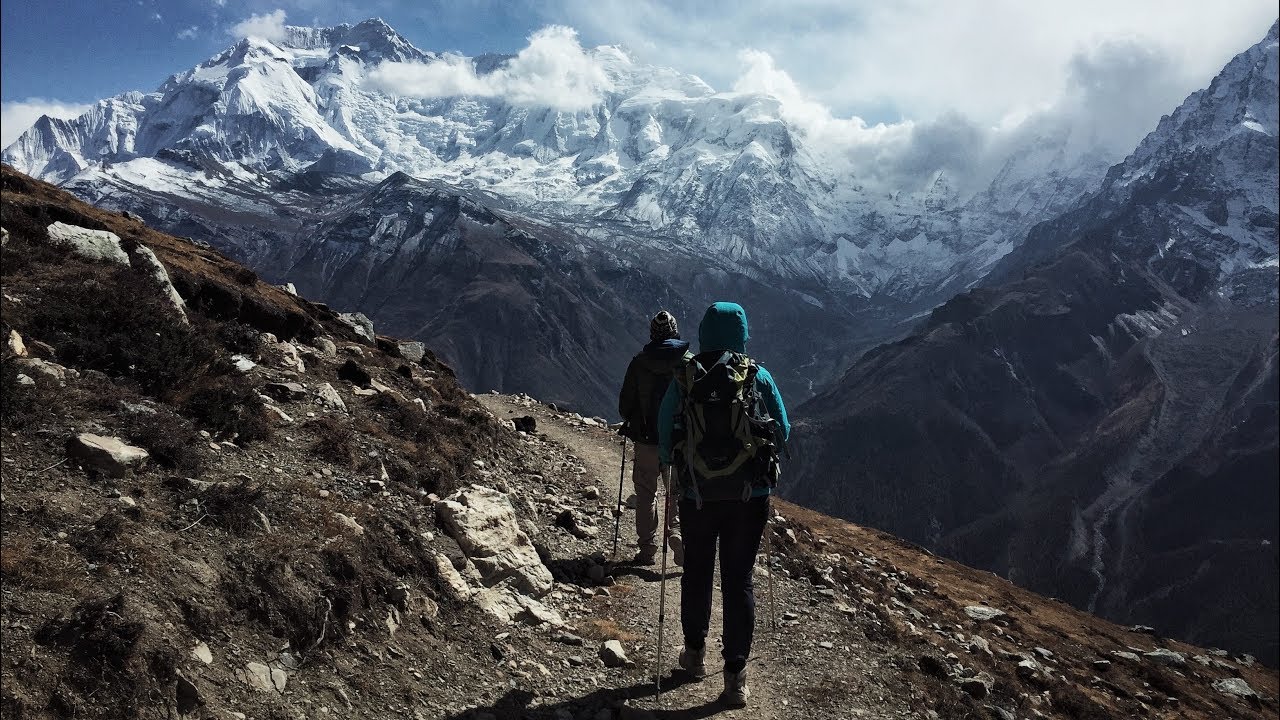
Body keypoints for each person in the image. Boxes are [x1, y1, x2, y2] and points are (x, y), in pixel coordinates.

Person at [657, 301, 789, 708]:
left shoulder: (685, 375)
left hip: (697, 495)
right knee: (738, 579)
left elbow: (665, 432)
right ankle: (735, 676)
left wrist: (675, 470)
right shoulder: (755, 374)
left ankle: (694, 654)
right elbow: (782, 430)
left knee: (696, 571)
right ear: (742, 332)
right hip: (749, 498)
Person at [618, 311, 691, 566]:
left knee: (646, 492)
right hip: (678, 441)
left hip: (646, 439)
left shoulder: (639, 362)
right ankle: (677, 533)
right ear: (675, 331)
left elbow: (625, 405)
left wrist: (632, 417)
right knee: (677, 491)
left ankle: (647, 548)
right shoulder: (687, 362)